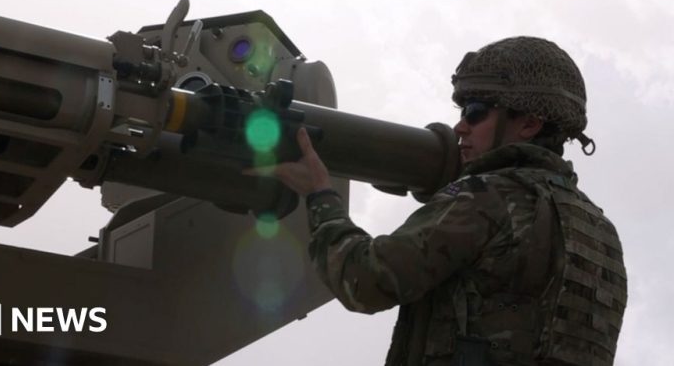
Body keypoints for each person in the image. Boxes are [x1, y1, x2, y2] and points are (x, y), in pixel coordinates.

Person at [264, 37, 627, 365]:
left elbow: (365, 281)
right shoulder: (600, 230)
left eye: (476, 112)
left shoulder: (487, 198)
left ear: (529, 124)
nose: (460, 127)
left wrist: (319, 195)